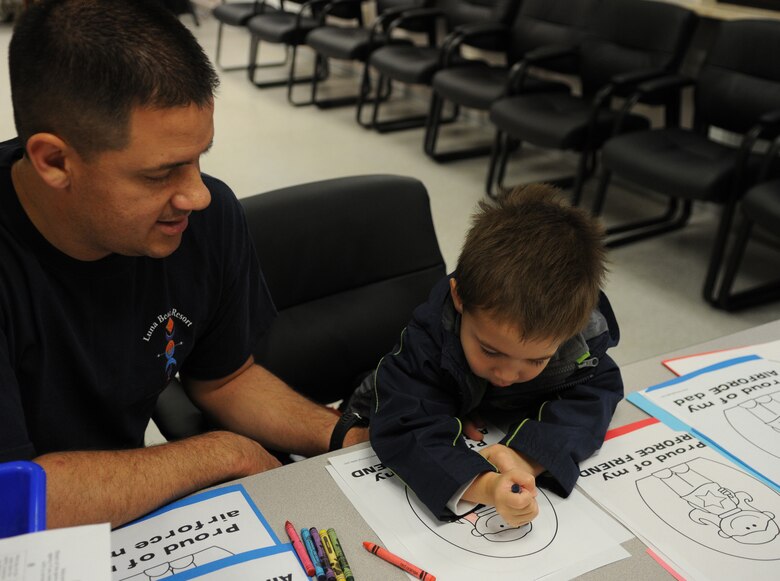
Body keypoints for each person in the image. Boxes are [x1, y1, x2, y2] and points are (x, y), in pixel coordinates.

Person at [0, 0, 365, 529]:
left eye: (200, 158)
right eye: (159, 175)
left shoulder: (202, 220)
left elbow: (226, 380)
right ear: (55, 162)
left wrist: (350, 437)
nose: (196, 195)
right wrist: (225, 454)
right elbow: (12, 502)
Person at [346, 184, 623, 526]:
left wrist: (524, 455)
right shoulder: (427, 341)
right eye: (491, 350)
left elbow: (597, 392)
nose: (507, 375)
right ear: (459, 297)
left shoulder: (576, 338)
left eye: (536, 360)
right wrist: (486, 484)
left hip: (480, 417)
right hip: (369, 409)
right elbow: (406, 425)